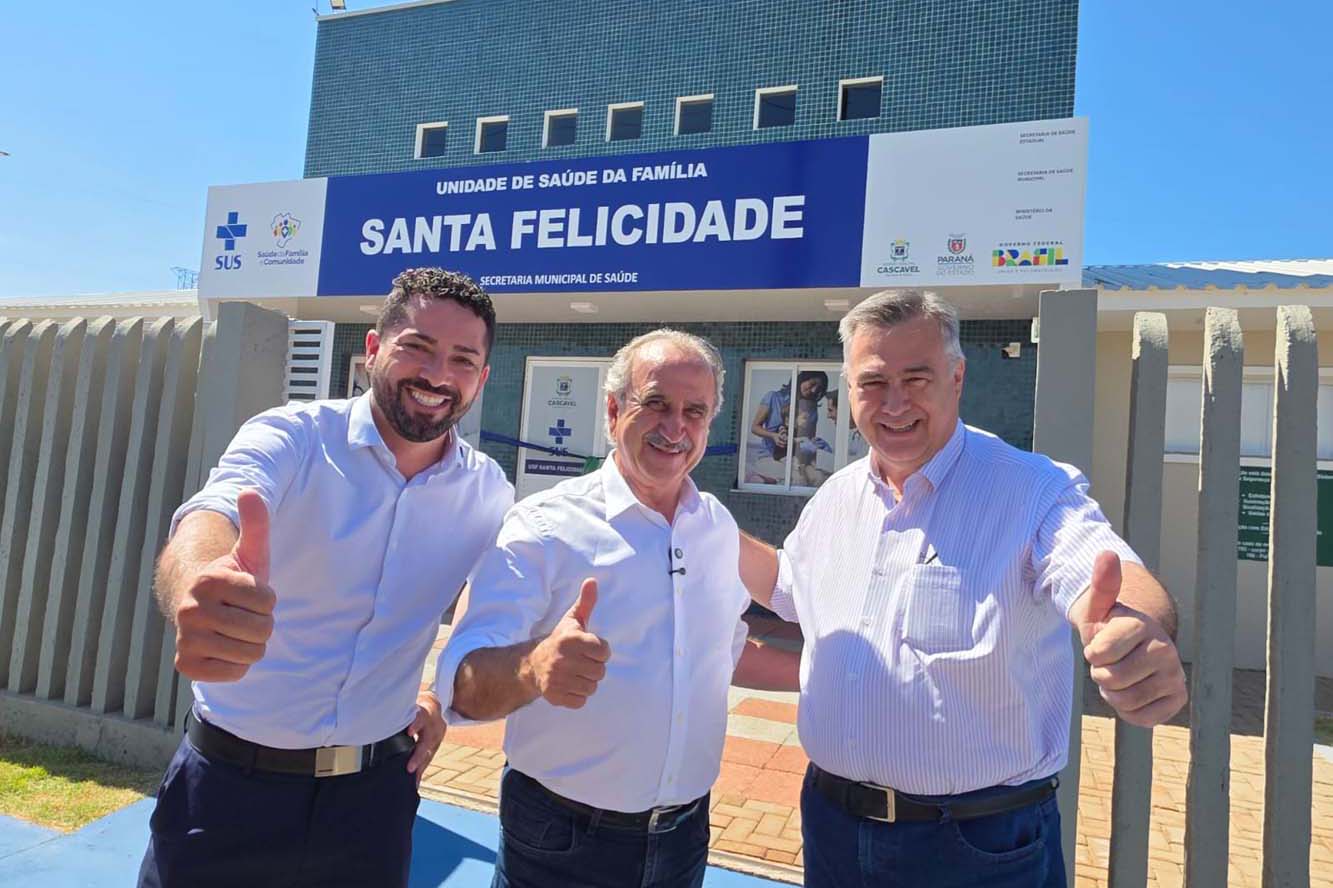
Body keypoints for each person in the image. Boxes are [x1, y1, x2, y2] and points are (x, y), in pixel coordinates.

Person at [739, 289, 1188, 888]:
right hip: (833, 827)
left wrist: (1136, 627)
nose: (894, 403)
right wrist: (701, 519)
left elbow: (1100, 571)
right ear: (849, 389)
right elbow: (790, 588)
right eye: (873, 383)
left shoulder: (1031, 489)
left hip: (977, 845)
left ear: (957, 377)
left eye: (916, 378)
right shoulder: (835, 497)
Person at [139, 268, 514, 888]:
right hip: (227, 793)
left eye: (462, 360)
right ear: (373, 349)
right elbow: (212, 513)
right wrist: (201, 581)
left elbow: (487, 591)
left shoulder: (487, 491)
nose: (437, 375)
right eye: (417, 347)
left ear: (482, 377)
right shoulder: (294, 436)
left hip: (374, 805)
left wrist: (438, 693)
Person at [437, 329, 799, 888]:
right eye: (655, 404)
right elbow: (460, 683)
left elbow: (721, 651)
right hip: (561, 839)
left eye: (694, 412)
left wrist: (829, 674)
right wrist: (534, 667)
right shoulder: (545, 525)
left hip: (685, 836)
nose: (675, 427)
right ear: (612, 411)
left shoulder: (715, 527)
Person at [746, 370, 829, 485]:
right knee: (797, 479)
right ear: (802, 379)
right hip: (770, 456)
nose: (814, 390)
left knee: (819, 478)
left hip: (798, 460)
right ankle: (760, 478)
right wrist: (773, 436)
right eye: (812, 384)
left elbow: (808, 439)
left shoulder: (812, 408)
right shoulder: (773, 397)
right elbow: (754, 427)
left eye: (818, 388)